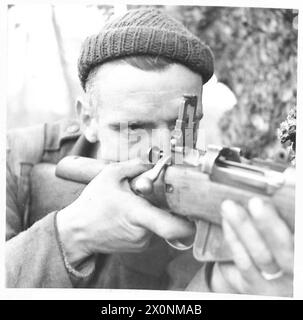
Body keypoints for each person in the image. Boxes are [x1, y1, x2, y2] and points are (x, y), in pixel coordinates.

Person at [6, 8, 294, 295]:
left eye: (182, 126)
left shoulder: (210, 188)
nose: (162, 150)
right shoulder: (13, 158)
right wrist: (70, 235)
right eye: (134, 127)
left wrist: (223, 284)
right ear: (87, 119)